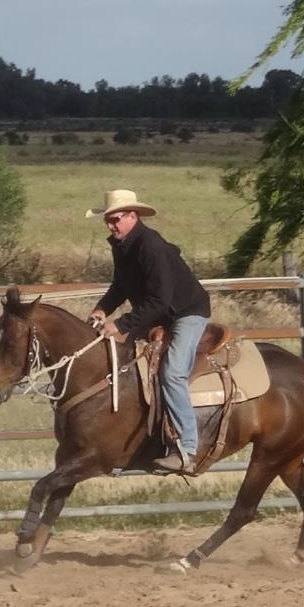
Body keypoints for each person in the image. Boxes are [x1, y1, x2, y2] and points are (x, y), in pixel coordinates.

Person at [85, 189, 210, 473]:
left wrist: (120, 324)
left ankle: (187, 449)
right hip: (157, 314)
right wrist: (103, 308)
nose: (111, 225)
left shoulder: (151, 246)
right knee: (127, 366)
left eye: (115, 219)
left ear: (133, 215)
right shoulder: (122, 245)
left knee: (172, 373)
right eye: (107, 221)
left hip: (186, 313)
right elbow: (120, 286)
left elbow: (160, 300)